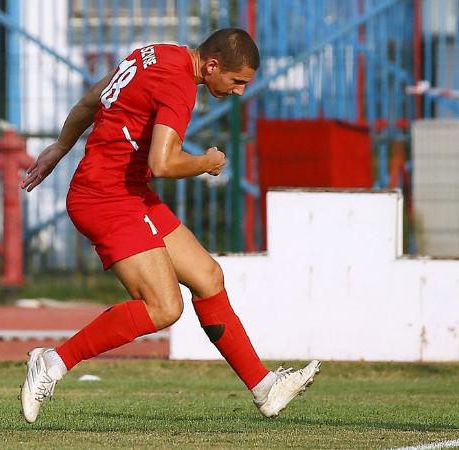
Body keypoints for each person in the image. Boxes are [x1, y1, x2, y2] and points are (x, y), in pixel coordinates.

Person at [19, 28, 320, 423]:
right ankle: (53, 362)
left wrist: (60, 147)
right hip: (107, 198)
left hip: (127, 191)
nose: (239, 92)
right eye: (237, 81)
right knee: (164, 307)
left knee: (208, 276)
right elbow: (163, 163)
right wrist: (207, 163)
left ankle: (265, 388)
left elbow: (94, 98)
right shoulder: (180, 85)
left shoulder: (157, 53)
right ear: (212, 65)